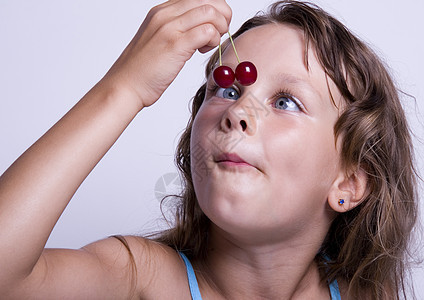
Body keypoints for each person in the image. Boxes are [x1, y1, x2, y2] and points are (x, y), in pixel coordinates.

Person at [0, 0, 418, 299]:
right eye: (228, 88)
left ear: (349, 181)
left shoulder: (365, 290)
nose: (238, 111)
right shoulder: (139, 279)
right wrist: (125, 88)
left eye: (286, 101)